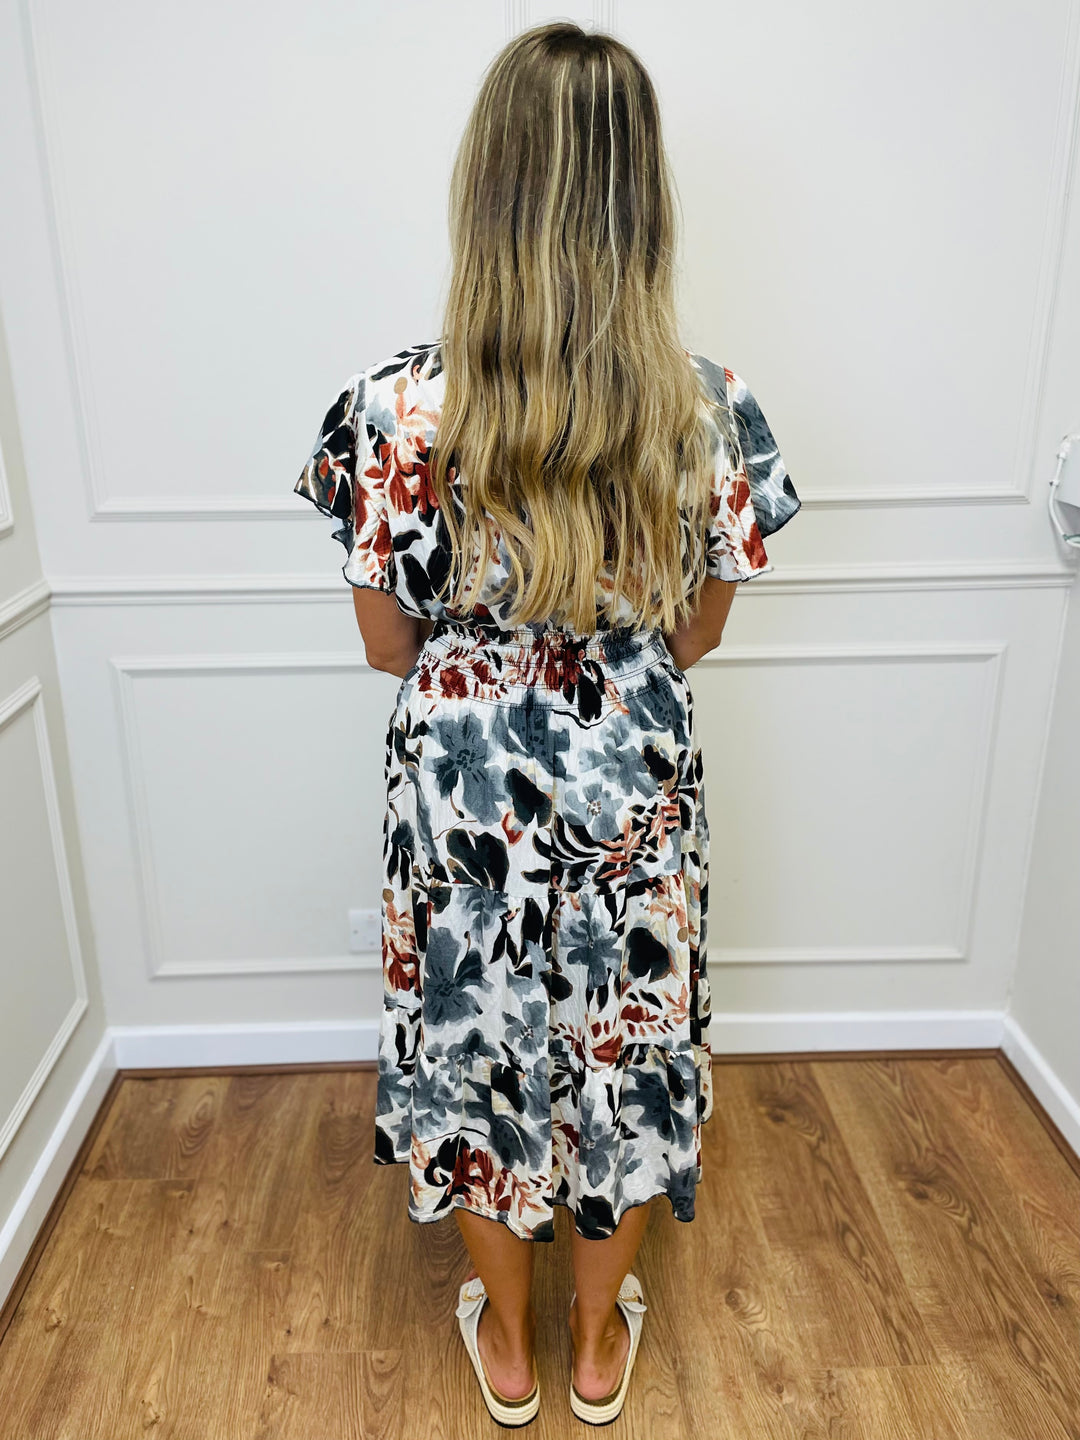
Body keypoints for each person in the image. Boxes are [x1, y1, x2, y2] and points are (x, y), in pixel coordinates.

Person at [294, 20, 800, 1428]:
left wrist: (488, 668)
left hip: (461, 790)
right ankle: (593, 1348)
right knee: (622, 1047)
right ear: (642, 199)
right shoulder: (708, 410)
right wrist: (605, 659)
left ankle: (508, 1351)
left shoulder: (396, 409)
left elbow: (386, 644)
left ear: (489, 188)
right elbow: (700, 632)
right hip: (632, 770)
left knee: (479, 1047)